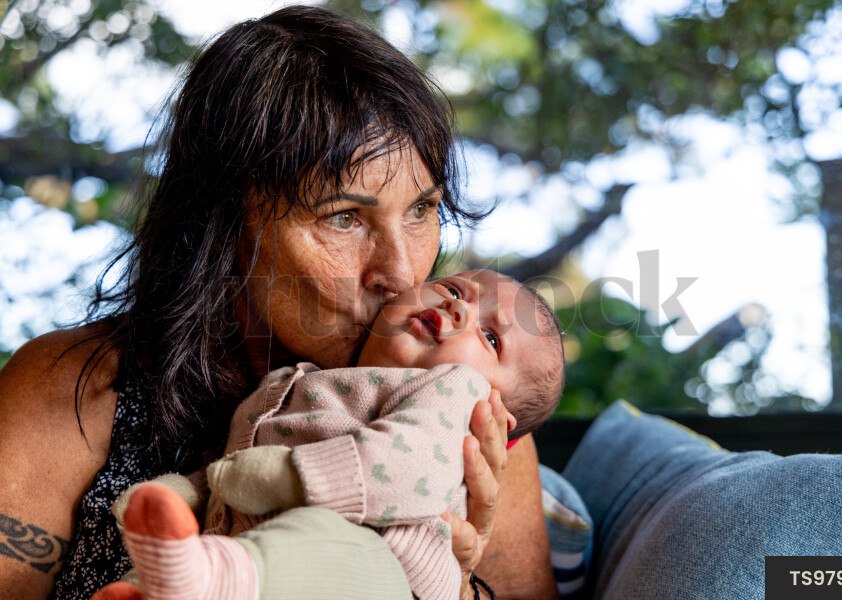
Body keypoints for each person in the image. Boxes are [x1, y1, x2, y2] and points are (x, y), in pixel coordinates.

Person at [0, 6, 558, 600]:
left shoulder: (473, 415)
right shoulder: (74, 390)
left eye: (422, 209)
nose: (400, 274)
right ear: (225, 224)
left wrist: (461, 585)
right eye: (344, 218)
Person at [92, 269, 564, 600]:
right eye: (455, 288)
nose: (458, 307)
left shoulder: (456, 395)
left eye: (492, 338)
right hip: (251, 547)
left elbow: (400, 467)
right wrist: (184, 491)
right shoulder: (303, 384)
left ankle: (207, 578)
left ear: (495, 413)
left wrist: (288, 477)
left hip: (379, 565)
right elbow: (237, 465)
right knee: (178, 568)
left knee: (323, 539)